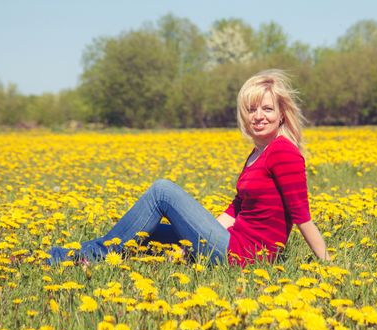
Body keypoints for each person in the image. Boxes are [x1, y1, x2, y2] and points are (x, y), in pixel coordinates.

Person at [48, 69, 330, 267]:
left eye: (267, 109)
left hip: (243, 255)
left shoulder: (284, 153)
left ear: (282, 114)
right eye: (252, 109)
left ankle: (79, 256)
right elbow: (236, 209)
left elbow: (302, 216)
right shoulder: (259, 152)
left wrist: (326, 264)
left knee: (163, 191)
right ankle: (81, 256)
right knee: (150, 234)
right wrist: (192, 239)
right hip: (231, 240)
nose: (258, 116)